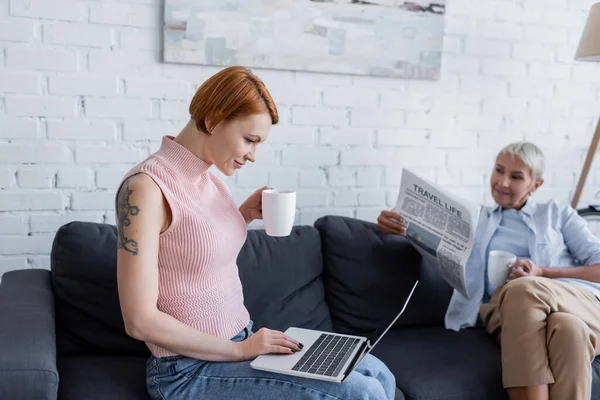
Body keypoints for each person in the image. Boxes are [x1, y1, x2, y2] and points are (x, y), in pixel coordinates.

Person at [115, 66, 396, 400]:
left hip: (241, 340)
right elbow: (140, 321)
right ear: (214, 120)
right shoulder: (144, 189)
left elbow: (189, 246)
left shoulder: (208, 178)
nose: (252, 155)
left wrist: (243, 215)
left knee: (378, 372)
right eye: (249, 140)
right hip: (188, 370)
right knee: (362, 393)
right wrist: (239, 351)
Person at [377, 142, 600, 400]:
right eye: (499, 170)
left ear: (535, 185)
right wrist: (399, 226)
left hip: (576, 301)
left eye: (516, 176)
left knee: (524, 290)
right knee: (569, 331)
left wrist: (543, 273)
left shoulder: (557, 215)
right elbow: (438, 249)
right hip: (508, 313)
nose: (503, 182)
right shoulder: (476, 219)